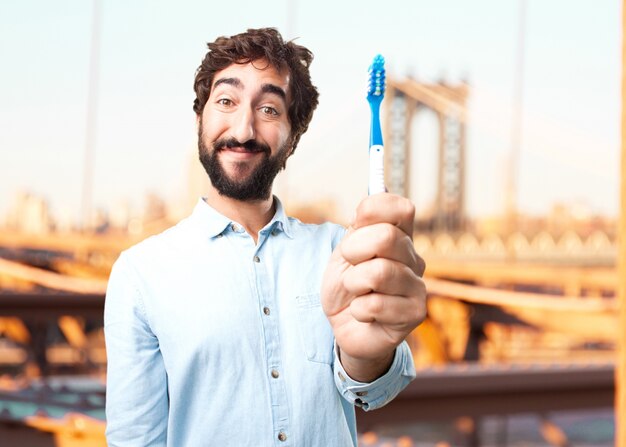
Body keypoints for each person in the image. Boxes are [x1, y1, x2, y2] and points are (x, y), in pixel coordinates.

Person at [104, 27, 427, 447]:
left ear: (292, 139)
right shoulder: (140, 274)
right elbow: (134, 440)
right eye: (225, 101)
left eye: (270, 109)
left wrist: (367, 355)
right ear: (199, 119)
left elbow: (376, 390)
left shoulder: (343, 251)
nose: (243, 128)